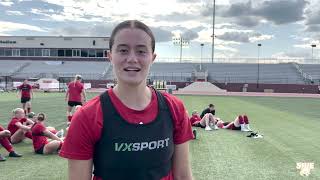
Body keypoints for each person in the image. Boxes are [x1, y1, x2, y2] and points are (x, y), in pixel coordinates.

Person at [60, 20, 194, 180]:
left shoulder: (174, 108)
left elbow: (183, 175)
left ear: (153, 57)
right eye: (123, 50)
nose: (132, 58)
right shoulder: (87, 116)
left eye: (141, 51)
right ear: (110, 56)